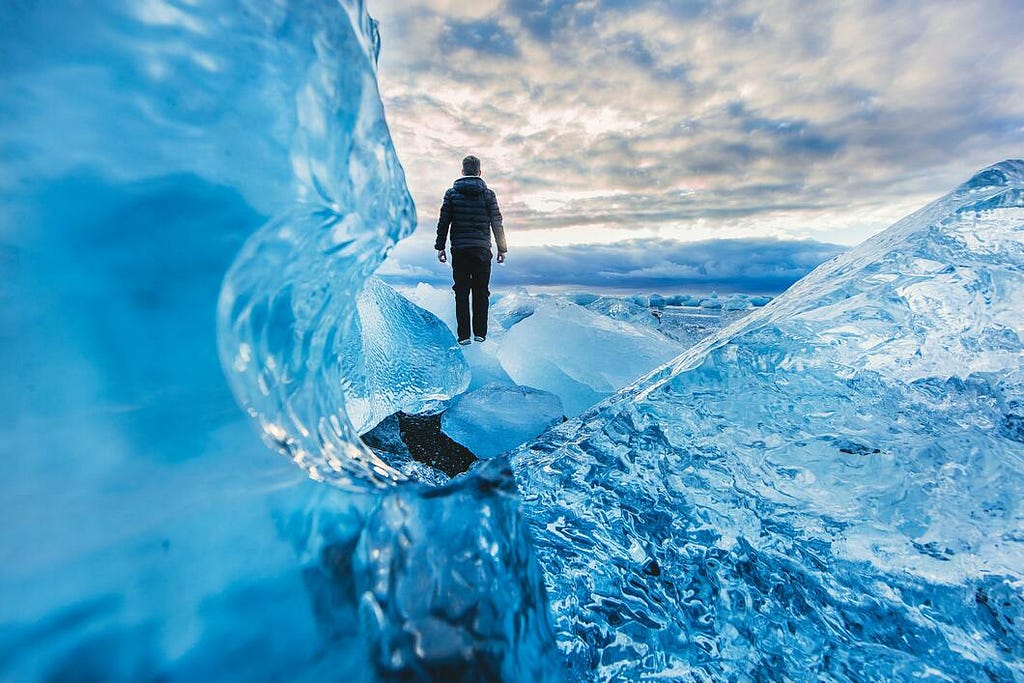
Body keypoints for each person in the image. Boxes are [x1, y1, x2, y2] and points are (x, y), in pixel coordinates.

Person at [435, 155, 507, 345]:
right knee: (481, 291)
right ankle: (480, 334)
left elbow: (444, 222)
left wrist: (440, 246)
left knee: (461, 292)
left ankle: (464, 336)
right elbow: (496, 222)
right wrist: (502, 248)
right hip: (482, 249)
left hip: (459, 249)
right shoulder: (488, 194)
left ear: (462, 171)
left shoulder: (451, 193)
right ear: (479, 172)